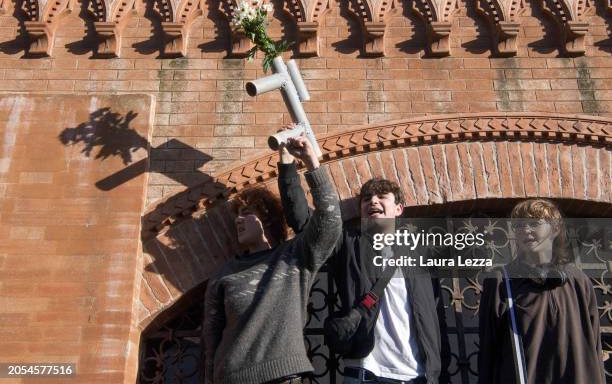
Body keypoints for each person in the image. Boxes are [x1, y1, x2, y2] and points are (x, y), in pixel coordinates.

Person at [277, 139, 449, 384]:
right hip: (367, 373)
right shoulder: (348, 243)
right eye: (366, 199)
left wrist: (438, 370)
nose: (373, 201)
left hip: (418, 376)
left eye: (381, 197)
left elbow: (435, 317)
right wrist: (288, 165)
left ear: (399, 209)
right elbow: (304, 222)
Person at [202, 135, 342, 384]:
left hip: (284, 377)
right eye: (238, 215)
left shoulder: (294, 257)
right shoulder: (225, 274)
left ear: (267, 219)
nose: (238, 220)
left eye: (247, 214)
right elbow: (211, 339)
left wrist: (311, 163)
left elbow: (330, 223)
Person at [478, 198, 605, 384]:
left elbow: (594, 346)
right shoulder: (500, 281)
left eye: (534, 223)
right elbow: (489, 351)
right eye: (519, 226)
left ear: (555, 229)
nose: (526, 231)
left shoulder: (578, 281)